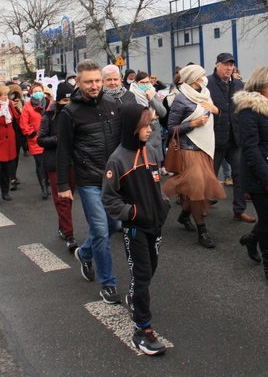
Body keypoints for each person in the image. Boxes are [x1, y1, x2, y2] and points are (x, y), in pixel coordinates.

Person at [102, 103, 170, 356]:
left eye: (150, 123)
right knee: (142, 276)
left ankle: (134, 297)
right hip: (135, 229)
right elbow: (109, 199)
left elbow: (155, 186)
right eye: (144, 125)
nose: (150, 128)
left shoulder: (150, 151)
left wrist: (162, 205)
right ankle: (142, 332)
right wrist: (132, 214)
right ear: (131, 127)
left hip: (155, 225)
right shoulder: (117, 160)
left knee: (149, 270)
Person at [56, 60, 123, 304]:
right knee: (101, 232)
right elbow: (63, 150)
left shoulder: (112, 104)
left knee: (115, 226)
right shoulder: (70, 113)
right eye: (88, 82)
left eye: (97, 81)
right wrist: (63, 185)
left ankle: (84, 253)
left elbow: (121, 141)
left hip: (113, 181)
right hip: (89, 181)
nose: (94, 86)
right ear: (78, 81)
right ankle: (108, 284)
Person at [233, 67, 268, 286]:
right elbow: (250, 148)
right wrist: (267, 177)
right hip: (260, 175)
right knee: (267, 219)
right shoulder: (249, 111)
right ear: (262, 84)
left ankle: (251, 239)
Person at [162, 64, 225, 248]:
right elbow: (171, 128)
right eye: (201, 75)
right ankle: (202, 230)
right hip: (188, 150)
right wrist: (192, 124)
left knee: (200, 188)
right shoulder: (181, 99)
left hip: (206, 148)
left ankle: (184, 215)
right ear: (193, 77)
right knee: (197, 189)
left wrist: (216, 111)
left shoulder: (205, 94)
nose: (204, 77)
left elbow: (214, 118)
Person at [205, 53, 255, 222]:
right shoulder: (208, 83)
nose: (229, 68)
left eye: (231, 64)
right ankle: (200, 207)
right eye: (225, 64)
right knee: (209, 175)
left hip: (235, 137)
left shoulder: (239, 85)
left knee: (240, 174)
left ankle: (239, 210)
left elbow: (245, 108)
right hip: (215, 137)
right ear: (217, 64)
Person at [38, 82, 77, 251]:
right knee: (61, 199)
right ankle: (69, 234)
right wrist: (57, 140)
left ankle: (63, 225)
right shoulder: (49, 115)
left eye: (70, 100)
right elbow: (40, 139)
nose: (67, 104)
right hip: (54, 162)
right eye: (64, 101)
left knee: (69, 199)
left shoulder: (77, 113)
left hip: (73, 162)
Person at [130, 71, 167, 175]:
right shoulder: (131, 94)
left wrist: (151, 99)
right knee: (142, 165)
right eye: (142, 83)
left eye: (147, 82)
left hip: (154, 134)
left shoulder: (152, 93)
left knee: (154, 168)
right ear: (136, 83)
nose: (146, 85)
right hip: (140, 132)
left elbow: (162, 112)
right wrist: (149, 117)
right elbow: (132, 114)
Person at [20, 84, 49, 199]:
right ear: (31, 93)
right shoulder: (27, 107)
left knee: (48, 163)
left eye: (40, 91)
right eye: (35, 91)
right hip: (35, 139)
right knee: (40, 164)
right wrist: (30, 132)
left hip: (48, 138)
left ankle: (48, 182)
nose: (38, 93)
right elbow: (23, 122)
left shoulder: (49, 103)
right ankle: (44, 187)